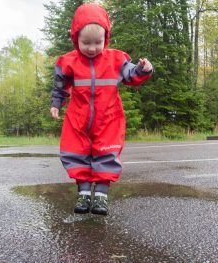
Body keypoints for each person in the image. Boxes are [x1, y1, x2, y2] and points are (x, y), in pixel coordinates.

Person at [50, 3, 153, 215]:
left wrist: (143, 69)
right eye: (86, 43)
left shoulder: (116, 59)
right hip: (77, 119)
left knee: (106, 155)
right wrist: (56, 103)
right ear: (75, 38)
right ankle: (84, 194)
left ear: (105, 38)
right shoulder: (69, 62)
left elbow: (131, 75)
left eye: (98, 42)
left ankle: (101, 197)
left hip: (109, 119)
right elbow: (59, 84)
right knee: (76, 154)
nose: (92, 48)